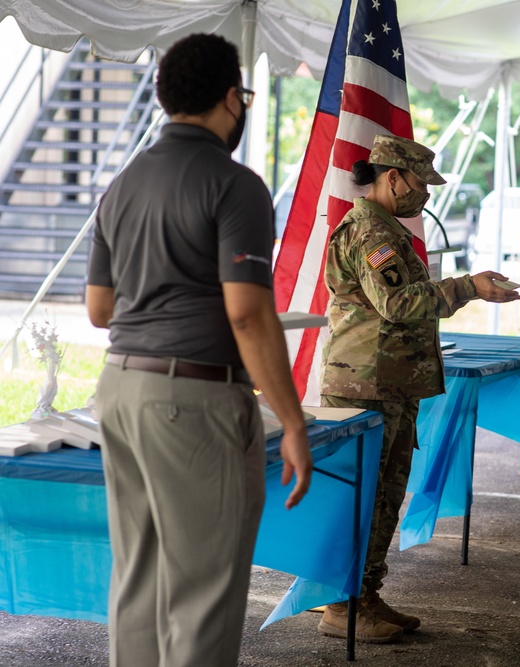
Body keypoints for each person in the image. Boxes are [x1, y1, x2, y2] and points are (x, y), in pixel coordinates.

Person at [85, 33, 313, 667]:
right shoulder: (234, 185)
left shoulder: (123, 184)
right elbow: (247, 312)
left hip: (120, 391)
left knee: (139, 581)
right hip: (193, 398)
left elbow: (101, 310)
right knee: (204, 592)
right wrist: (292, 421)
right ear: (229, 98)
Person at [318, 133, 520, 644]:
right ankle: (341, 605)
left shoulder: (385, 227)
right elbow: (398, 303)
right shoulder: (371, 232)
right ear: (393, 177)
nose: (425, 196)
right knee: (363, 494)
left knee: (385, 495)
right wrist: (468, 287)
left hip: (388, 382)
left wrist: (466, 286)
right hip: (365, 385)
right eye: (420, 184)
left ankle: (364, 593)